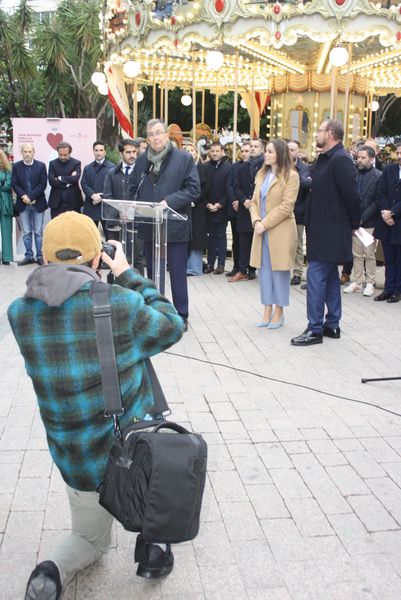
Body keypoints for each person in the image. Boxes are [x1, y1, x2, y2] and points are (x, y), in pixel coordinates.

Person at [8, 211, 184, 600]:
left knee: (88, 539)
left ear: (44, 257)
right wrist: (126, 272)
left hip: (75, 457)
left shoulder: (19, 314)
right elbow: (172, 325)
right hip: (131, 452)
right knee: (155, 489)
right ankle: (153, 546)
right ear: (96, 258)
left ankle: (50, 571)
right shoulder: (121, 303)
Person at [291, 119, 361, 346]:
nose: (316, 134)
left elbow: (352, 195)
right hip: (321, 228)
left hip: (331, 230)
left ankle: (315, 329)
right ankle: (332, 324)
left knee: (315, 277)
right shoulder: (325, 158)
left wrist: (354, 223)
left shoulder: (340, 159)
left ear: (330, 133)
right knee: (330, 278)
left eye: (320, 130)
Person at [129, 119, 200, 328]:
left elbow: (193, 190)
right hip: (151, 227)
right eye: (151, 134)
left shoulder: (183, 159)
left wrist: (169, 202)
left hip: (174, 227)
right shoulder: (142, 161)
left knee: (177, 274)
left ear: (167, 135)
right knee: (153, 274)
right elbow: (133, 188)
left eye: (159, 133)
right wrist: (132, 206)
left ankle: (181, 315)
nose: (155, 137)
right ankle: (156, 312)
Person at [249, 139, 298, 328]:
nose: (266, 155)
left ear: (280, 153)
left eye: (270, 151)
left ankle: (279, 310)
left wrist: (265, 223)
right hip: (261, 230)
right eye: (266, 151)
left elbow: (287, 206)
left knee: (279, 271)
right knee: (264, 271)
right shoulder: (262, 174)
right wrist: (256, 221)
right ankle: (267, 308)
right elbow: (254, 202)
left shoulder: (291, 176)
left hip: (280, 231)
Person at [343, 145, 381, 296]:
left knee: (369, 254)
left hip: (369, 222)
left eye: (363, 157)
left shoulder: (378, 176)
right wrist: (354, 218)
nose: (359, 160)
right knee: (356, 254)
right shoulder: (353, 174)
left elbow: (377, 201)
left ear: (371, 159)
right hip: (354, 221)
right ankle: (358, 281)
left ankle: (370, 282)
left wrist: (363, 217)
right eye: (358, 157)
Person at [103, 138, 145, 273]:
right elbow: (108, 196)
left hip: (136, 223)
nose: (132, 155)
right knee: (115, 257)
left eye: (134, 152)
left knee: (138, 258)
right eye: (128, 152)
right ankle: (115, 284)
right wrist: (119, 213)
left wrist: (130, 213)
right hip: (116, 224)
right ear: (121, 153)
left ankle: (139, 284)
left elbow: (144, 197)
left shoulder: (143, 173)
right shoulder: (112, 173)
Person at [229, 139, 265, 282]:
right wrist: (244, 200)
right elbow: (236, 186)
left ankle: (253, 269)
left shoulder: (267, 166)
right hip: (245, 209)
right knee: (243, 241)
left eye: (256, 146)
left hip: (260, 209)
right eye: (251, 146)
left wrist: (254, 200)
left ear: (262, 149)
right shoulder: (243, 167)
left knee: (257, 241)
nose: (252, 149)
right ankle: (243, 270)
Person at [373, 142, 401, 303]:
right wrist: (385, 212)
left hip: (398, 221)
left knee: (399, 259)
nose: (399, 156)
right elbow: (380, 191)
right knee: (388, 259)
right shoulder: (389, 169)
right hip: (387, 222)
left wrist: (393, 212)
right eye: (398, 153)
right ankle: (388, 288)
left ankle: (397, 290)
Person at [11, 142, 47, 265]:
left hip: (38, 204)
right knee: (26, 232)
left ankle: (39, 256)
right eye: (25, 152)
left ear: (33, 152)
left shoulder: (41, 166)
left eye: (29, 151)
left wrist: (30, 197)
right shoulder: (16, 166)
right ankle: (29, 256)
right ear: (22, 153)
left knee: (38, 232)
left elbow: (43, 184)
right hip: (23, 205)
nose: (27, 154)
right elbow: (15, 184)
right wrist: (23, 196)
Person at [204, 141, 231, 274]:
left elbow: (229, 188)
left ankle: (221, 264)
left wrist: (220, 204)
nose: (215, 153)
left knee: (221, 236)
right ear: (209, 152)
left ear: (222, 152)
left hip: (222, 208)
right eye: (212, 151)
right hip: (208, 207)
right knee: (211, 236)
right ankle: (210, 263)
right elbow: (202, 188)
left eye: (217, 151)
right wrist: (207, 204)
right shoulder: (205, 167)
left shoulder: (228, 168)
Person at [287, 140, 312, 286]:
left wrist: (294, 182)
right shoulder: (281, 166)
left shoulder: (304, 168)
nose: (290, 152)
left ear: (298, 152)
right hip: (283, 211)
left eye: (293, 149)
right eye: (288, 149)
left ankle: (297, 272)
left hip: (299, 210)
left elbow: (307, 183)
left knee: (298, 243)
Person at [225, 142, 251, 277]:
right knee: (236, 240)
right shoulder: (234, 167)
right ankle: (236, 267)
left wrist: (243, 201)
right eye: (243, 151)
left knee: (249, 240)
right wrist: (235, 201)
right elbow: (230, 185)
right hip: (235, 209)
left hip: (248, 208)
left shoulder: (255, 167)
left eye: (247, 151)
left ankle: (250, 268)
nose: (245, 153)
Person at [184, 141, 207, 276]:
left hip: (197, 207)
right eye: (187, 151)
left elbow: (204, 188)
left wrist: (194, 200)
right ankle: (187, 266)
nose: (190, 153)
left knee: (196, 238)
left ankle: (195, 268)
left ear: (197, 153)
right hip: (186, 206)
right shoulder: (183, 167)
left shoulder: (200, 167)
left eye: (192, 150)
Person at [81, 140, 115, 231]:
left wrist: (100, 197)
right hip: (91, 205)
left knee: (110, 236)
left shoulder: (113, 167)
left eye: (101, 150)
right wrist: (93, 195)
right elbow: (84, 184)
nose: (98, 153)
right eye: (96, 150)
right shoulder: (88, 168)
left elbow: (114, 187)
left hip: (106, 207)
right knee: (90, 235)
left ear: (105, 151)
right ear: (93, 151)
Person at [48, 142, 82, 218]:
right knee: (56, 225)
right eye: (60, 155)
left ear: (70, 153)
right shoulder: (53, 163)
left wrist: (60, 178)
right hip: (56, 204)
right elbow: (51, 181)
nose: (62, 157)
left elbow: (75, 179)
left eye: (65, 155)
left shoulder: (76, 163)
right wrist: (68, 182)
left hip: (73, 203)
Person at [0, 149, 14, 265]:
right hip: (4, 197)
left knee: (7, 230)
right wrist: (2, 183)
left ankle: (7, 257)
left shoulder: (8, 169)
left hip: (5, 202)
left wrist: (4, 184)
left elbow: (9, 184)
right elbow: (4, 184)